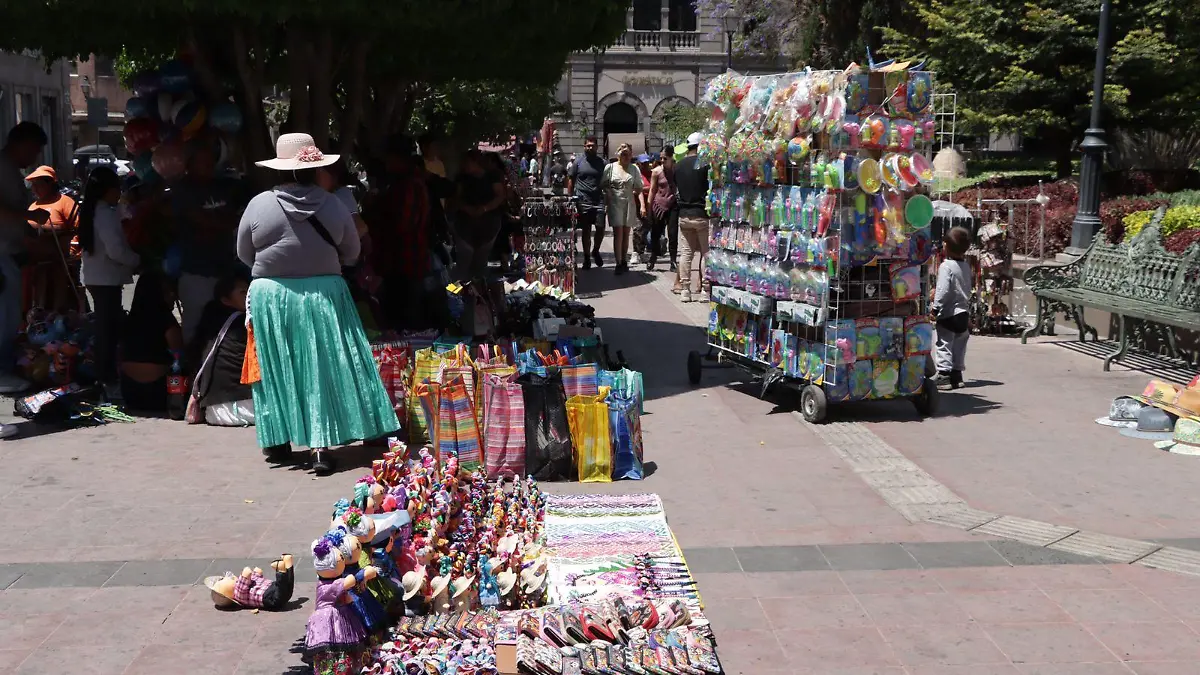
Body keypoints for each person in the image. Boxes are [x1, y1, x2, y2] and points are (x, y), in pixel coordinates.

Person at [236, 132, 398, 474]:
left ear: (279, 168)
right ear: (315, 169)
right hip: (324, 294)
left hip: (271, 296)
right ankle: (320, 448)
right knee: (321, 368)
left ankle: (278, 442)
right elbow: (352, 253)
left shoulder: (258, 204)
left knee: (277, 367)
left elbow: (243, 253)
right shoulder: (333, 204)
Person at [171, 138, 250, 343]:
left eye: (210, 161)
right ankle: (193, 370)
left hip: (224, 270)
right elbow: (200, 221)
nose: (207, 166)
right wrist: (225, 223)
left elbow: (236, 215)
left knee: (226, 326)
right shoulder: (183, 190)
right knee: (195, 327)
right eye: (201, 161)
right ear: (189, 164)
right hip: (196, 272)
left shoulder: (224, 186)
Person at [79, 166, 140, 399]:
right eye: (117, 188)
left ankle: (105, 376)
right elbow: (115, 250)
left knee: (107, 328)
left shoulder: (95, 210)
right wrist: (137, 260)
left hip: (97, 277)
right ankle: (105, 378)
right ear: (108, 190)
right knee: (107, 331)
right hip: (105, 278)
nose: (120, 192)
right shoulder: (104, 213)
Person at [0, 122, 48, 396]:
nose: (35, 159)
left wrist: (27, 227)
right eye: (34, 151)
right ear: (22, 144)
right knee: (3, 317)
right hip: (1, 253)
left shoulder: (11, 171)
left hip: (11, 251)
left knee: (9, 316)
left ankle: (5, 367)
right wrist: (29, 217)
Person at [187, 272, 254, 426]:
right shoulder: (243, 324)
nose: (249, 295)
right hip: (247, 409)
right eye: (243, 292)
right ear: (226, 300)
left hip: (213, 412)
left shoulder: (209, 326)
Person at [118, 272, 183, 412]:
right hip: (157, 391)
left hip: (130, 391)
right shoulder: (166, 320)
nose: (173, 295)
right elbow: (179, 352)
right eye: (168, 291)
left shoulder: (129, 320)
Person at [24, 165, 83, 313]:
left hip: (62, 261)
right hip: (37, 262)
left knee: (62, 294)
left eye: (38, 185)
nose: (34, 189)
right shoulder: (32, 207)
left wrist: (72, 251)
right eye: (33, 185)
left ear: (50, 183)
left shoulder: (65, 202)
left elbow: (79, 229)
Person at [452, 149, 505, 281]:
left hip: (488, 224)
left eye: (467, 162)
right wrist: (467, 209)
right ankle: (461, 291)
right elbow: (455, 198)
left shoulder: (492, 176)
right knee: (464, 258)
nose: (464, 165)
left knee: (480, 261)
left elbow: (500, 196)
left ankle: (479, 293)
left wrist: (485, 208)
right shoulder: (462, 178)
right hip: (465, 223)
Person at [931, 226, 973, 389]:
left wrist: (935, 308)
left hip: (948, 313)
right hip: (963, 313)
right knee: (959, 344)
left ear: (946, 245)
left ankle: (944, 375)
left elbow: (942, 290)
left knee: (944, 343)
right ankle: (957, 374)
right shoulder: (966, 266)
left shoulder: (946, 266)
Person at [674, 132, 711, 302]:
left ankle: (685, 290)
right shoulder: (704, 165)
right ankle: (704, 290)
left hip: (684, 214)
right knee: (705, 253)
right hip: (701, 213)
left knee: (686, 253)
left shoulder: (678, 165)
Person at [601, 144, 646, 276]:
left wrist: (641, 204)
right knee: (618, 233)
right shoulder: (610, 168)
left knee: (626, 233)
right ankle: (618, 262)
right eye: (623, 154)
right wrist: (608, 194)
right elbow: (603, 184)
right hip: (615, 201)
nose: (626, 157)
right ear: (618, 155)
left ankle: (624, 260)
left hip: (629, 202)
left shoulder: (634, 169)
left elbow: (639, 188)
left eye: (628, 154)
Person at [566, 137, 608, 269]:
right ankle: (586, 258)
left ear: (597, 147)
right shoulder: (578, 162)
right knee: (586, 230)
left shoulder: (603, 163)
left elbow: (607, 181)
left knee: (600, 228)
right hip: (582, 200)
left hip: (599, 200)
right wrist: (570, 198)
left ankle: (595, 250)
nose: (590, 148)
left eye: (593, 146)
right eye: (588, 146)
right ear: (584, 147)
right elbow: (570, 180)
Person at [648, 150, 678, 273]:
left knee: (673, 233)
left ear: (671, 158)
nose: (662, 161)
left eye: (665, 158)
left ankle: (673, 261)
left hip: (673, 204)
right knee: (656, 233)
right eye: (661, 158)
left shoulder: (676, 170)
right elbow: (652, 189)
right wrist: (648, 208)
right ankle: (653, 257)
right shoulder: (656, 171)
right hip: (659, 205)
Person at [630, 153, 653, 267]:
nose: (645, 165)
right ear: (638, 164)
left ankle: (642, 252)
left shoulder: (651, 174)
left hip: (649, 206)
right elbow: (633, 189)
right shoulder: (636, 174)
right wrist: (646, 189)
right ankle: (635, 252)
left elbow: (655, 187)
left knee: (646, 229)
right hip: (637, 205)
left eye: (647, 163)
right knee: (637, 229)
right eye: (643, 163)